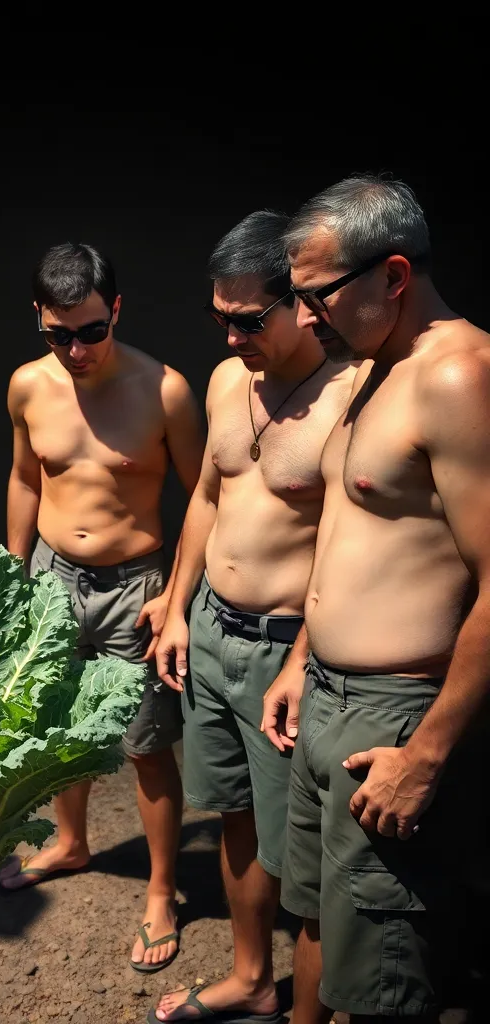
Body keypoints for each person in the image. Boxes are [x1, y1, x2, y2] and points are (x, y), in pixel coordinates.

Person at [268, 175, 490, 1023]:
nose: (301, 318)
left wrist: (426, 756)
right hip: (328, 696)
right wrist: (302, 660)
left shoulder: (460, 375)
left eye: (315, 296)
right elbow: (348, 537)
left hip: (397, 722)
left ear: (393, 275)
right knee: (322, 917)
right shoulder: (372, 365)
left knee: (387, 977)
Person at [150, 212, 358, 1023]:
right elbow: (207, 493)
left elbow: (345, 552)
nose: (232, 336)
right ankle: (251, 978)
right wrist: (175, 606)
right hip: (211, 632)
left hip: (285, 651)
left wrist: (306, 659)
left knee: (297, 849)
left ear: (302, 304)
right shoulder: (225, 381)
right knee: (232, 810)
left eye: (249, 320)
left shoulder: (349, 398)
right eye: (219, 317)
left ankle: (307, 1009)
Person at [0, 242, 204, 975]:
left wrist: (175, 599)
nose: (77, 349)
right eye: (60, 335)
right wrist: (13, 576)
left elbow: (206, 499)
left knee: (146, 745)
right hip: (54, 577)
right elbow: (26, 478)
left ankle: (160, 889)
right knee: (59, 731)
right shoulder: (28, 386)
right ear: (40, 321)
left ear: (115, 310)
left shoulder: (165, 390)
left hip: (135, 587)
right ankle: (72, 842)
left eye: (91, 330)